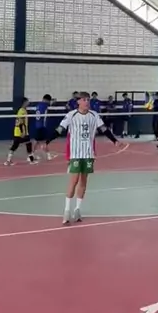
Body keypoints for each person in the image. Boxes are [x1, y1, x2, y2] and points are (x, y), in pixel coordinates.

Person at [46, 92, 118, 224]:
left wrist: (115, 141)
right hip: (75, 154)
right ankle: (67, 210)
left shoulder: (94, 115)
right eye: (84, 100)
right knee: (73, 181)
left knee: (83, 182)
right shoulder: (71, 115)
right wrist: (47, 141)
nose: (87, 102)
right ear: (78, 101)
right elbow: (59, 130)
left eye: (88, 100)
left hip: (88, 154)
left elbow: (104, 129)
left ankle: (77, 209)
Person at [5, 97, 34, 165]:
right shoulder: (21, 111)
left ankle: (8, 161)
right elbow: (20, 122)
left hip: (22, 131)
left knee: (26, 144)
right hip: (20, 132)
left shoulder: (24, 110)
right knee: (22, 145)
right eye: (27, 102)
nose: (28, 103)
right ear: (24, 103)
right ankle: (31, 160)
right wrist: (22, 132)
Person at [33, 93, 53, 160]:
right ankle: (32, 155)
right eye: (49, 101)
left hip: (37, 125)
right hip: (42, 126)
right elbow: (49, 105)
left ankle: (47, 155)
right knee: (42, 142)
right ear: (47, 100)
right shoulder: (45, 105)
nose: (49, 102)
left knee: (37, 141)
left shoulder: (38, 105)